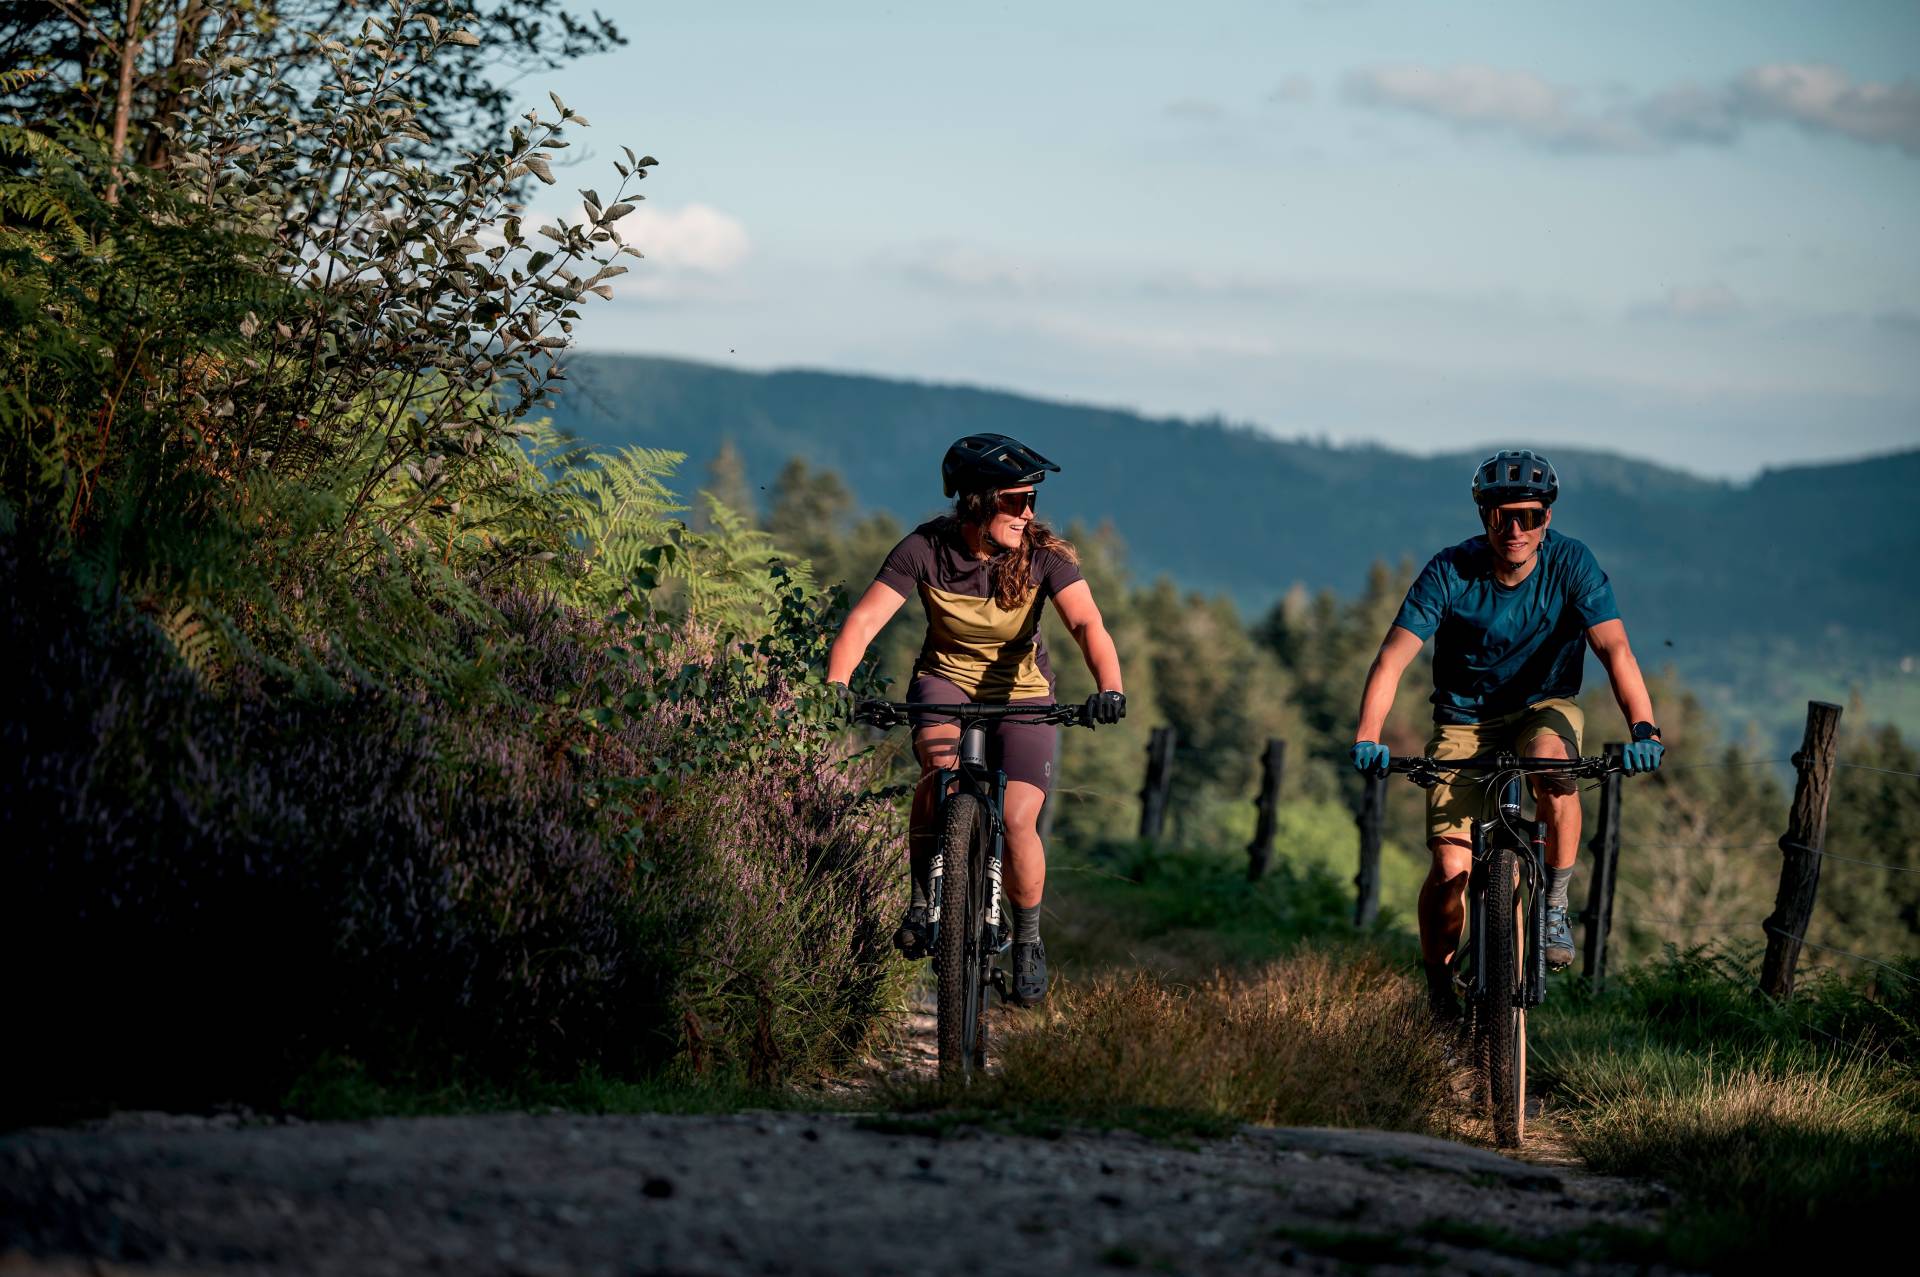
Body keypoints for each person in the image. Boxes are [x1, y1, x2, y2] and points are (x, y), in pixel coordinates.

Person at [1348, 448, 1666, 1023]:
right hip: (1463, 720)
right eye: (1501, 516)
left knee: (1553, 766)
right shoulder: (1450, 570)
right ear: (1483, 516)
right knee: (1450, 870)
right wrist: (1368, 736)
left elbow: (1615, 649)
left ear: (1547, 518)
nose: (1515, 529)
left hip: (1544, 707)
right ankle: (1439, 991)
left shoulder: (1572, 563)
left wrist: (1643, 729)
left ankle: (1554, 904)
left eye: (1528, 516)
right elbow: (1392, 658)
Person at [825, 434, 1126, 1007]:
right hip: (945, 681)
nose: (1028, 512)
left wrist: (1109, 688)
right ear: (977, 501)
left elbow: (1088, 625)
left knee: (1017, 818)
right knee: (938, 774)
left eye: (1031, 499)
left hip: (1023, 694)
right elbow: (863, 623)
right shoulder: (925, 549)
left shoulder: (1045, 557)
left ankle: (1028, 941)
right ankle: (922, 901)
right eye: (1016, 500)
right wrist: (837, 683)